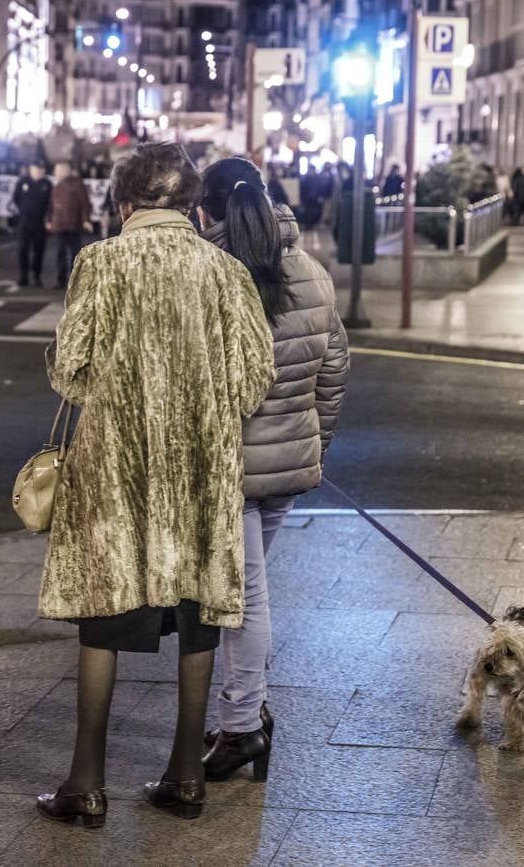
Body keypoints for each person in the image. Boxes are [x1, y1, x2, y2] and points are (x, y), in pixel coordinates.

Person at [36, 143, 276, 829]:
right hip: (201, 473)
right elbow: (255, 377)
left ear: (124, 206)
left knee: (102, 623)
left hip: (116, 473)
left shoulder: (102, 263)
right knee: (199, 619)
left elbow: (72, 366)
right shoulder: (225, 271)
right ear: (190, 207)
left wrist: (103, 392)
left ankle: (85, 783)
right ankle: (186, 775)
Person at [195, 156, 349, 783]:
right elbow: (333, 368)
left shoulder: (210, 274)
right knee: (247, 596)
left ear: (205, 211)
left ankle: (241, 728)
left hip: (230, 467)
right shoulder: (311, 272)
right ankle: (248, 713)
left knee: (241, 602)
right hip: (287, 466)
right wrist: (317, 443)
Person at [45, 161, 91, 289]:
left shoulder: (77, 184)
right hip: (59, 225)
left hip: (73, 225)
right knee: (60, 252)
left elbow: (85, 204)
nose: (56, 173)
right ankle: (61, 279)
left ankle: (75, 280)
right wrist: (49, 220)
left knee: (75, 254)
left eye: (58, 170)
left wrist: (85, 220)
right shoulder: (57, 186)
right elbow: (51, 206)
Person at [13, 162, 52, 286]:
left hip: (40, 222)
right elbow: (16, 198)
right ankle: (23, 275)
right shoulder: (23, 182)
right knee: (23, 250)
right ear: (31, 169)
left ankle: (36, 276)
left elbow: (50, 202)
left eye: (41, 169)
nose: (39, 172)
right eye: (36, 169)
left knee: (39, 250)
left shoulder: (47, 184)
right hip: (25, 221)